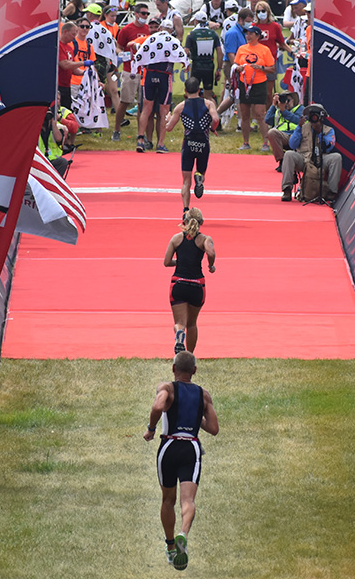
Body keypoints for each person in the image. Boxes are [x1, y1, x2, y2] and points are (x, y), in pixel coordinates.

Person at [143, 351, 219, 571]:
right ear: (194, 371)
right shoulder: (203, 395)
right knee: (188, 501)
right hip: (191, 448)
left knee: (168, 499)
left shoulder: (166, 387)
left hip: (169, 447)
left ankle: (169, 548)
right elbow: (213, 428)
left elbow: (158, 406)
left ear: (173, 368)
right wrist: (196, 419)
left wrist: (151, 428)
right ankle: (182, 534)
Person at [164, 208, 215, 356]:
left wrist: (181, 262)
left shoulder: (176, 239)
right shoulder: (205, 239)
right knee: (192, 323)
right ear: (201, 223)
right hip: (197, 285)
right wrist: (210, 265)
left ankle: (179, 333)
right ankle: (189, 356)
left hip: (178, 283)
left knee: (180, 322)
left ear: (184, 221)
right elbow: (211, 252)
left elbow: (167, 262)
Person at [164, 78, 218, 211]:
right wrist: (212, 128)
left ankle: (186, 210)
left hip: (188, 143)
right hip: (203, 143)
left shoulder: (180, 107)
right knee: (201, 173)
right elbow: (216, 118)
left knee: (186, 181)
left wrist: (169, 119)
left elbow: (168, 128)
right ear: (199, 89)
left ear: (185, 90)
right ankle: (199, 178)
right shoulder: (208, 104)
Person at [280, 103, 342, 202]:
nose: (314, 117)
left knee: (336, 157)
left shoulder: (328, 130)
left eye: (316, 115)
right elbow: (292, 145)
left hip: (321, 159)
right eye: (312, 115)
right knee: (288, 155)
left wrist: (320, 133)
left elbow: (329, 147)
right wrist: (299, 128)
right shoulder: (302, 127)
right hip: (304, 158)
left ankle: (331, 192)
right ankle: (287, 189)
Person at [234, 26, 274, 151]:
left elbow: (272, 68)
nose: (248, 36)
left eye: (251, 34)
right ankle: (245, 142)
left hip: (259, 84)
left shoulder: (264, 50)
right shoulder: (242, 49)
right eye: (247, 34)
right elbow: (236, 64)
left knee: (259, 114)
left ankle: (265, 143)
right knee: (244, 114)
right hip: (244, 83)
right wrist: (238, 68)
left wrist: (261, 68)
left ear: (257, 36)